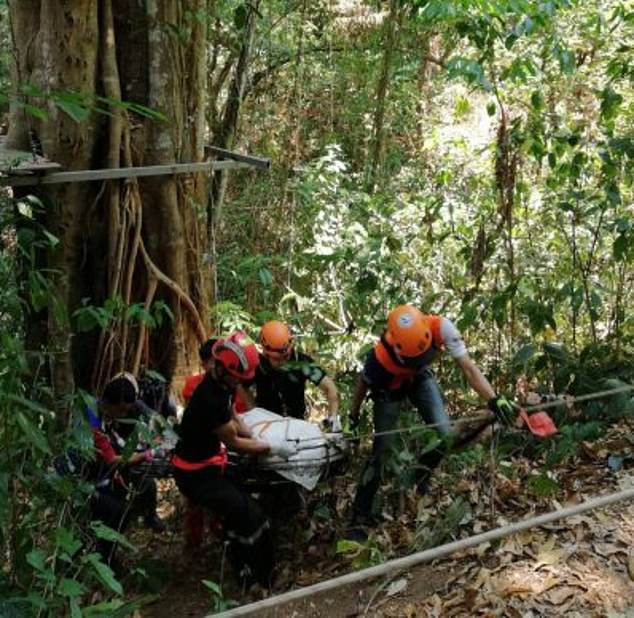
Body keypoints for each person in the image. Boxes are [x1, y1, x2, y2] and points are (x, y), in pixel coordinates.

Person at [347, 305, 514, 540]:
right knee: (381, 452)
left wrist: (494, 400)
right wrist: (352, 417)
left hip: (420, 379)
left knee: (445, 433)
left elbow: (468, 368)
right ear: (397, 348)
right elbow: (361, 385)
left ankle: (420, 474)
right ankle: (358, 516)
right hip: (389, 389)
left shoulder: (442, 328)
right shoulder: (379, 358)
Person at [173, 331, 297, 585]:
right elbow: (235, 443)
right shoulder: (208, 398)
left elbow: (233, 415)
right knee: (251, 515)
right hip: (195, 475)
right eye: (237, 378)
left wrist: (253, 431)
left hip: (210, 463)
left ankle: (244, 567)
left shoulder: (221, 384)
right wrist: (270, 447)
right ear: (223, 368)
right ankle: (261, 577)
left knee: (250, 503)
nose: (239, 383)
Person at [86, 376, 165, 562]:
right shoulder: (93, 420)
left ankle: (107, 552)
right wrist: (144, 455)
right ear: (113, 403)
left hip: (103, 471)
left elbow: (157, 423)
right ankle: (104, 557)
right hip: (86, 479)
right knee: (117, 510)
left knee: (143, 486)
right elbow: (112, 459)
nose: (124, 414)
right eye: (122, 410)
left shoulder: (110, 412)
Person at [249, 320, 340, 427]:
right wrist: (253, 412)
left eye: (286, 357)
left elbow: (330, 387)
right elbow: (241, 386)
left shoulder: (302, 363)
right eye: (277, 359)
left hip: (296, 424)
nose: (283, 362)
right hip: (266, 424)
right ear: (265, 353)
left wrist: (333, 417)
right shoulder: (257, 365)